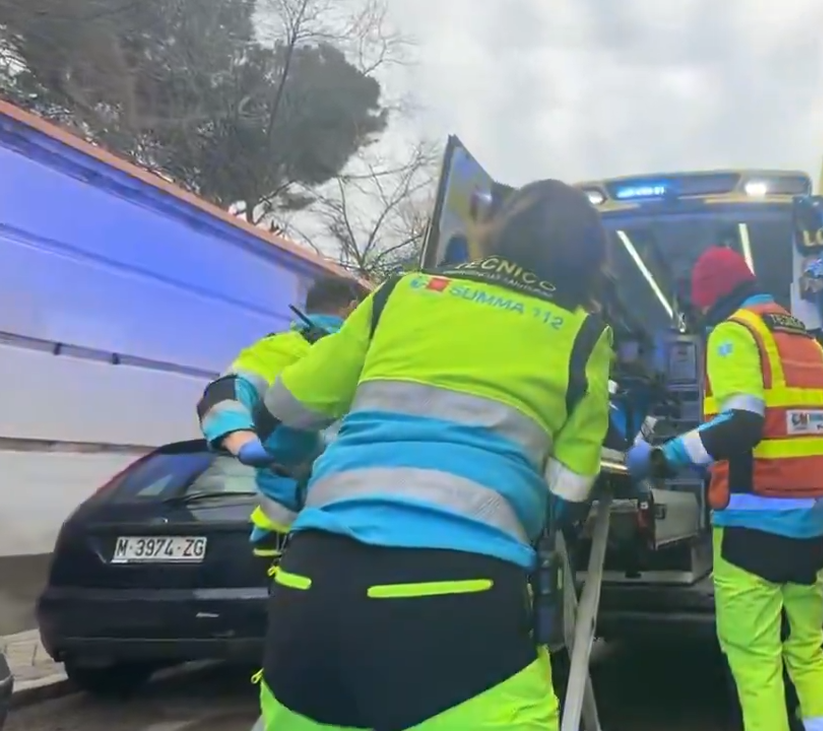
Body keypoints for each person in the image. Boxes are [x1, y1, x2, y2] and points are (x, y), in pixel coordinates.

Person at [248, 179, 614, 731]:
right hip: (458, 602)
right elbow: (565, 496)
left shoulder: (400, 293)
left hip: (311, 590)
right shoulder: (582, 337)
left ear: (500, 233)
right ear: (588, 262)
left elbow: (282, 410)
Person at [626, 246, 823, 731]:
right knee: (808, 656)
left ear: (713, 298)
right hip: (808, 524)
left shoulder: (735, 334)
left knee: (756, 667)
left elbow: (741, 425)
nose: (703, 317)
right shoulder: (806, 340)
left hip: (752, 527)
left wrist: (664, 457)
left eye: (703, 307)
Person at [196, 277, 364, 560]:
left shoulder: (280, 349)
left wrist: (244, 443)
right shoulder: (363, 355)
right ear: (353, 309)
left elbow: (224, 395)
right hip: (326, 533)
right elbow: (229, 392)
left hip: (285, 535)